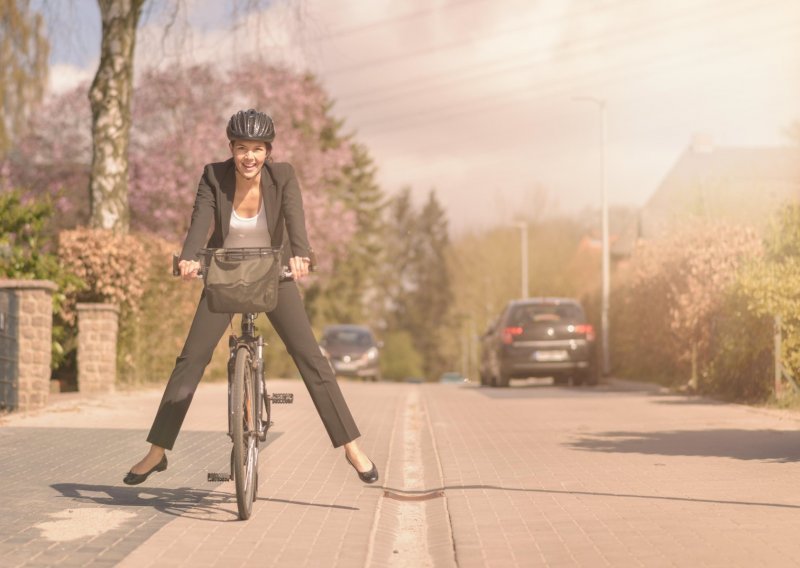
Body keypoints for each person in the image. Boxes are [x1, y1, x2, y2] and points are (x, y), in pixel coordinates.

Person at [124, 109, 378, 486]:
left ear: (268, 151)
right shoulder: (214, 175)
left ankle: (351, 446)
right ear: (231, 148)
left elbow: (295, 220)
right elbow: (200, 222)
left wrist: (301, 255)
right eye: (242, 148)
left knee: (310, 356)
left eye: (257, 149)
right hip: (224, 274)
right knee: (190, 359)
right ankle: (157, 451)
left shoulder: (284, 176)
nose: (249, 157)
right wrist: (190, 259)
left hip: (274, 274)